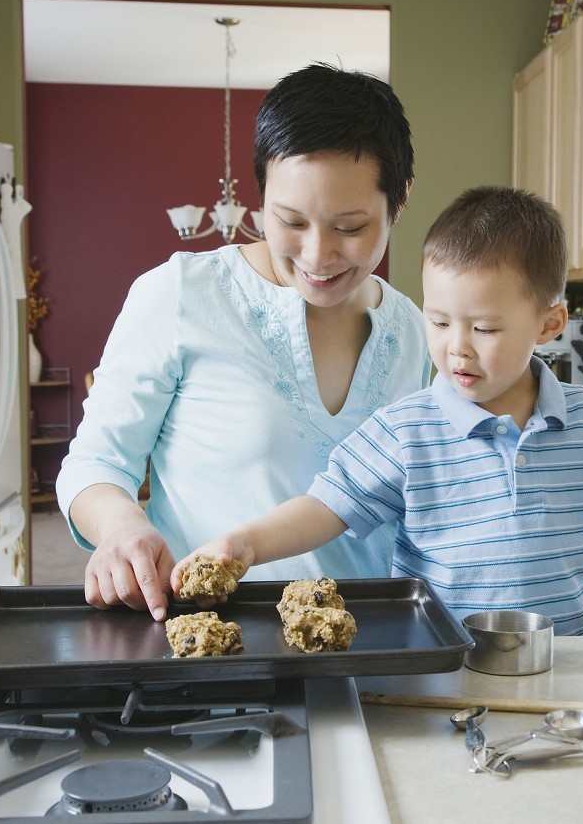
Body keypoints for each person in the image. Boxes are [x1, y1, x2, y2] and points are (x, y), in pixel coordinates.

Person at [174, 186, 583, 635]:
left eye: (483, 329)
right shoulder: (406, 430)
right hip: (444, 672)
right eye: (438, 323)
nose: (457, 348)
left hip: (568, 677)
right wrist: (248, 542)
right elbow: (326, 507)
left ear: (549, 324)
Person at [58, 64, 432, 623]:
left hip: (372, 640)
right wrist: (121, 528)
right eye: (289, 221)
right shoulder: (181, 294)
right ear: (261, 199)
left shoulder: (415, 331)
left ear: (398, 201)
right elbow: (93, 464)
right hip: (214, 639)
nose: (316, 255)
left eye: (350, 228)